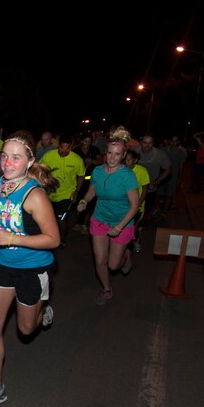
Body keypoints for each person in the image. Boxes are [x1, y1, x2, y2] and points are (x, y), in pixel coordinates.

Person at [0, 132, 60, 407]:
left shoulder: (35, 196)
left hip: (33, 269)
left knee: (25, 329)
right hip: (1, 265)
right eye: (5, 156)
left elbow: (53, 239)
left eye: (16, 158)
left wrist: (13, 239)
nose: (7, 163)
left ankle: (42, 310)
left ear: (30, 161)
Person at [76, 127, 140, 305]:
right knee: (100, 261)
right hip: (100, 220)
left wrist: (119, 227)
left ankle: (126, 255)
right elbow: (92, 190)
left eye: (117, 154)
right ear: (106, 153)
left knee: (113, 266)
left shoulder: (127, 176)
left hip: (122, 222)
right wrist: (84, 201)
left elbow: (134, 206)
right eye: (110, 153)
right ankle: (107, 289)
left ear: (123, 155)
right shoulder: (97, 171)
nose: (112, 157)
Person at [39, 134, 84, 249]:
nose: (64, 150)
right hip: (49, 194)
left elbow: (81, 175)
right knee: (48, 219)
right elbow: (40, 170)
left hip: (66, 195)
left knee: (62, 219)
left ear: (71, 147)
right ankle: (48, 237)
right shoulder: (48, 156)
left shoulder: (77, 159)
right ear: (58, 146)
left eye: (67, 148)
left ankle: (61, 239)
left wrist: (76, 191)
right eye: (62, 147)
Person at [72, 133, 102, 234]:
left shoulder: (94, 150)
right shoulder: (75, 151)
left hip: (91, 180)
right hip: (78, 180)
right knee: (78, 201)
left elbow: (101, 161)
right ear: (81, 141)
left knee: (89, 202)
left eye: (89, 141)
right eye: (85, 141)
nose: (87, 144)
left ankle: (85, 224)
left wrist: (92, 161)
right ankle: (78, 222)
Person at [137, 133, 171, 220]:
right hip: (134, 187)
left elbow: (169, 169)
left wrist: (157, 181)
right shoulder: (134, 151)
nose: (147, 145)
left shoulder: (159, 154)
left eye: (150, 143)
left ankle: (142, 224)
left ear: (153, 143)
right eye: (145, 142)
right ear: (141, 142)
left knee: (145, 209)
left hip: (149, 189)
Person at [123, 148, 150, 253]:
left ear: (135, 160)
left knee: (134, 226)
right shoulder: (122, 170)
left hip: (137, 204)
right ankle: (123, 246)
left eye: (129, 160)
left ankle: (135, 241)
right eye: (125, 160)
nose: (126, 162)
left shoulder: (142, 171)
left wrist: (138, 203)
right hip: (124, 204)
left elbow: (145, 189)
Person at [159, 135, 188, 213]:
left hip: (173, 176)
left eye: (175, 141)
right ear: (169, 141)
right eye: (172, 141)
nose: (173, 143)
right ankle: (158, 209)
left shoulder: (180, 152)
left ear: (178, 142)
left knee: (169, 195)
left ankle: (164, 212)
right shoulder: (164, 150)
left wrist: (179, 179)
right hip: (163, 175)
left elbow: (181, 167)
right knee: (160, 193)